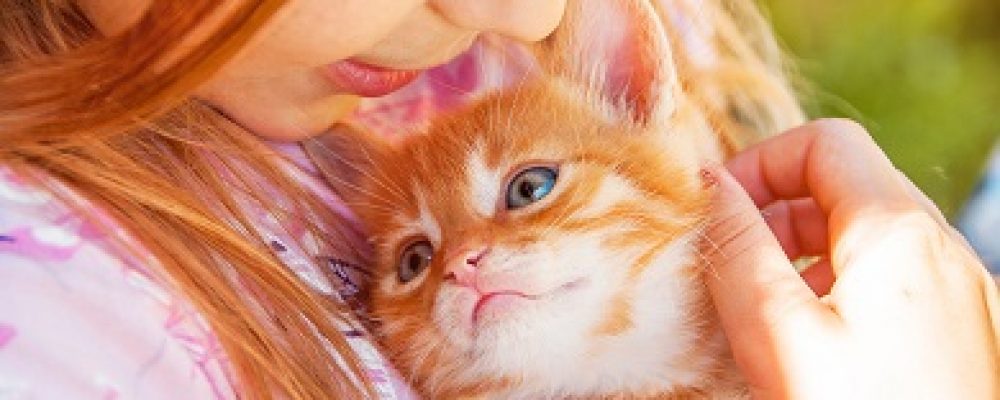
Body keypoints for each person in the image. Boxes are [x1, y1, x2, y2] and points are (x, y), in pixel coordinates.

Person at [0, 2, 995, 400]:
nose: (522, 14)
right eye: (414, 259)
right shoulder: (54, 329)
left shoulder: (556, 45)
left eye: (527, 190)